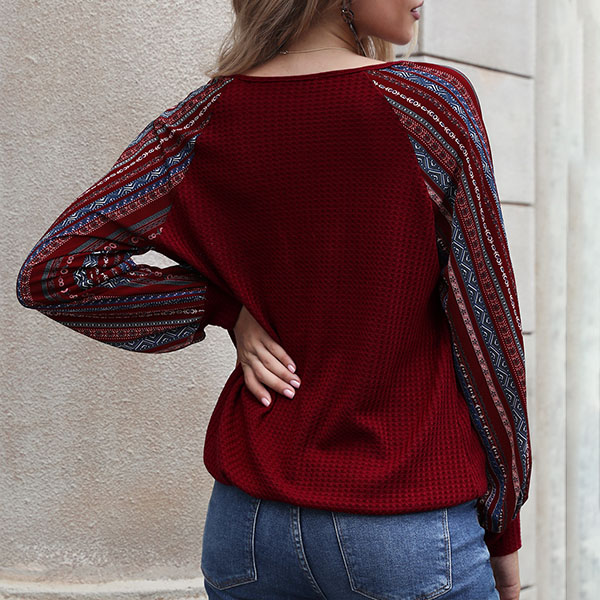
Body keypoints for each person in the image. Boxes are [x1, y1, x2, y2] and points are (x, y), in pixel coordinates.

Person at [15, 1, 532, 599]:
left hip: (249, 529)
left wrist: (225, 309)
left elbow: (56, 272)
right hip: (402, 525)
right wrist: (504, 534)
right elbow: (487, 329)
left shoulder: (204, 117)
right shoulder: (427, 105)